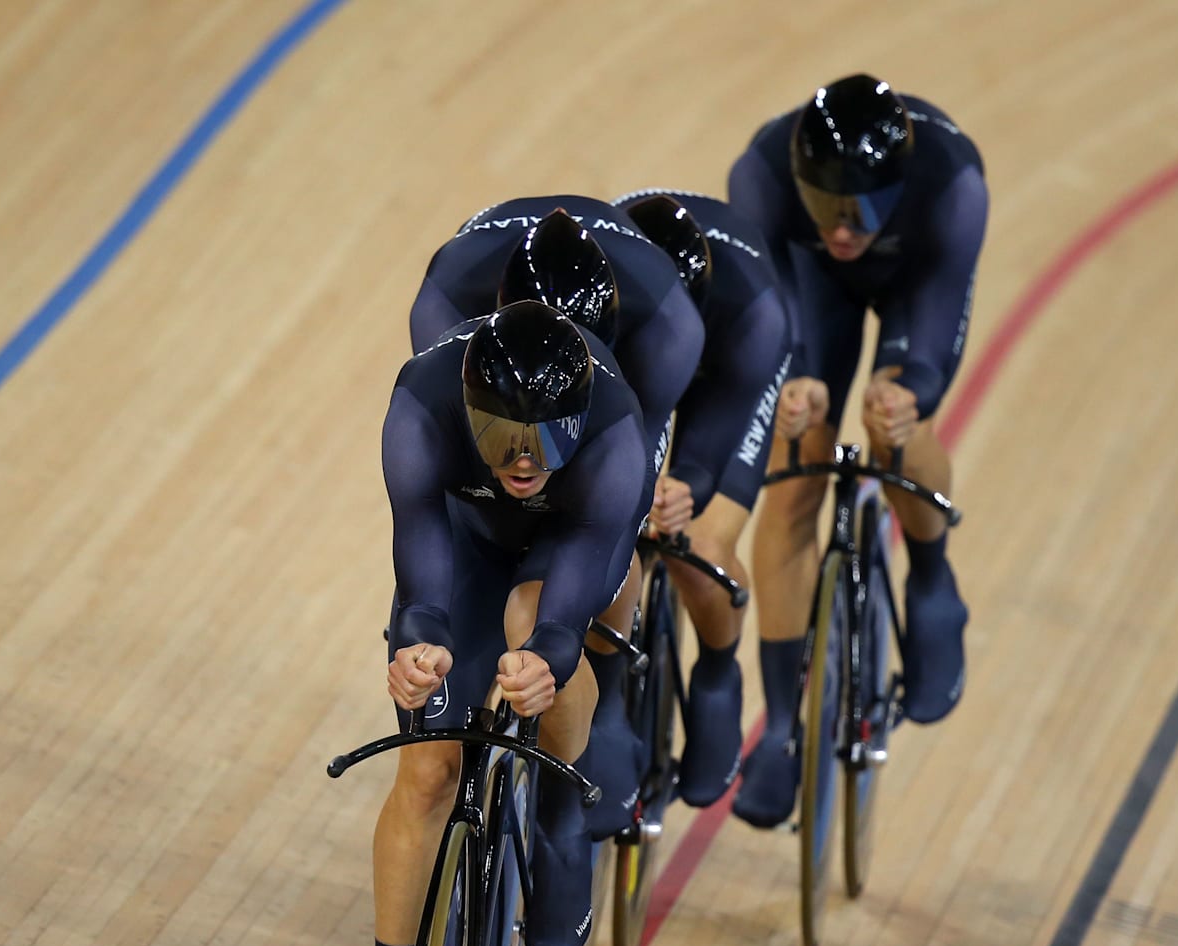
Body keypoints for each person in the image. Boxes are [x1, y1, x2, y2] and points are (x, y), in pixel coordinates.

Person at [364, 300, 649, 946]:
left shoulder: (619, 436)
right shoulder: (421, 402)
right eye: (501, 439)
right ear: (467, 408)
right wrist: (419, 649)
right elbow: (421, 572)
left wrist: (548, 659)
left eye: (547, 439)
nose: (524, 464)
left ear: (580, 420)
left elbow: (566, 615)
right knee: (426, 770)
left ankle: (561, 814)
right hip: (465, 541)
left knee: (534, 630)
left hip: (563, 548)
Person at [726, 73, 986, 827]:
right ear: (799, 182)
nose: (844, 228)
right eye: (826, 205)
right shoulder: (761, 177)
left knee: (891, 419)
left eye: (864, 208)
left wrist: (915, 393)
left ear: (897, 188)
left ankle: (932, 580)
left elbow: (934, 339)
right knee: (798, 461)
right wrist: (795, 380)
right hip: (813, 293)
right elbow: (768, 315)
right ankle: (780, 724)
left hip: (914, 287)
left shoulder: (952, 185)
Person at [410, 200, 705, 830]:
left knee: (619, 514)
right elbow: (445, 463)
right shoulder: (446, 306)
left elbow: (616, 500)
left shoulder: (665, 331)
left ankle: (613, 694)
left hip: (625, 389)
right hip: (493, 373)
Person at [606, 189, 792, 805]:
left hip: (728, 376)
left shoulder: (752, 315)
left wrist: (684, 485)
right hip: (621, 359)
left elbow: (709, 452)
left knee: (700, 550)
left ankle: (716, 674)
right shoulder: (595, 282)